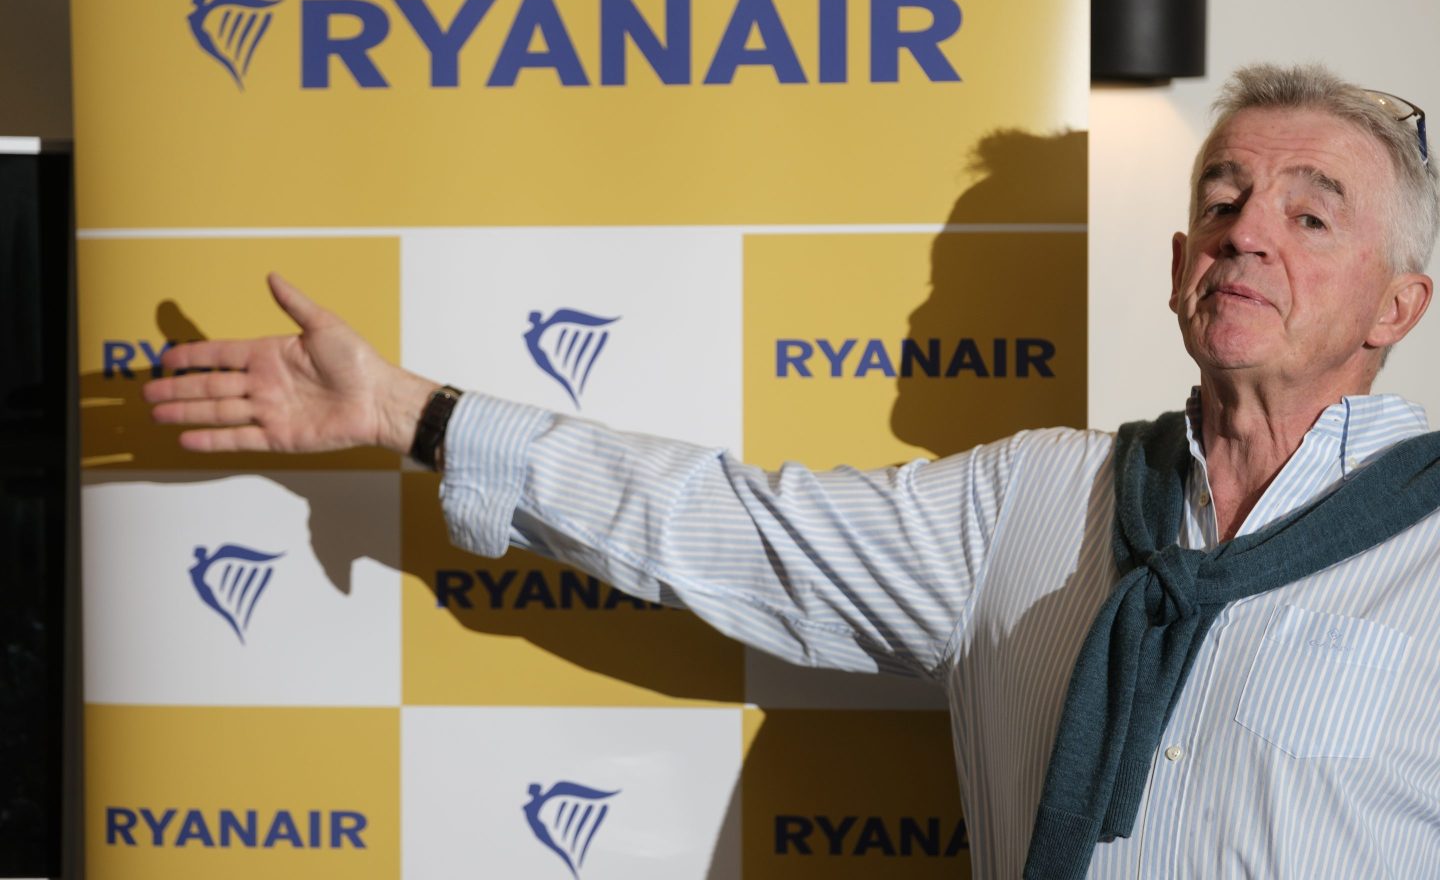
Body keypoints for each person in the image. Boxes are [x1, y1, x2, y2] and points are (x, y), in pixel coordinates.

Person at [143, 63, 1440, 878]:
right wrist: (406, 410)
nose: (1245, 234)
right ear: (1174, 266)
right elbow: (724, 526)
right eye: (1220, 200)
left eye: (1308, 213)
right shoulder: (1038, 499)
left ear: (1398, 307)